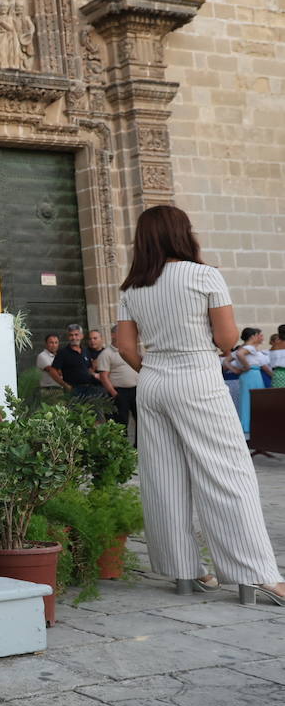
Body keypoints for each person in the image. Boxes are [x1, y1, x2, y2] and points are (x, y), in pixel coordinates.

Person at [116, 205, 284, 603]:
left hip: (153, 382)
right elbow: (226, 340)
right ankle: (255, 575)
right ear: (182, 234)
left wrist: (154, 369)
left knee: (164, 478)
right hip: (197, 377)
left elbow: (125, 347)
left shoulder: (132, 287)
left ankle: (184, 572)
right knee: (228, 474)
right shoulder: (205, 275)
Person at [94, 322, 139, 437]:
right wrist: (114, 393)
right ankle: (122, 445)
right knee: (121, 422)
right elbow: (104, 376)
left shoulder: (132, 349)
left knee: (140, 420)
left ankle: (138, 446)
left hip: (136, 390)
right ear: (113, 335)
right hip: (119, 392)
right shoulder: (106, 354)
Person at [48, 323, 101, 402]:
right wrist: (64, 385)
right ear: (68, 337)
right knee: (75, 409)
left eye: (76, 335)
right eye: (71, 335)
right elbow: (52, 371)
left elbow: (88, 369)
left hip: (89, 389)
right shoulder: (63, 352)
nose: (74, 337)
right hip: (74, 390)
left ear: (82, 336)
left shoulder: (86, 351)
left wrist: (95, 372)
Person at [35, 333, 62, 399]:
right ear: (46, 344)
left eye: (56, 342)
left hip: (60, 389)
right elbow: (54, 371)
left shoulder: (60, 355)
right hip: (48, 390)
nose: (54, 345)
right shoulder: (42, 356)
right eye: (51, 343)